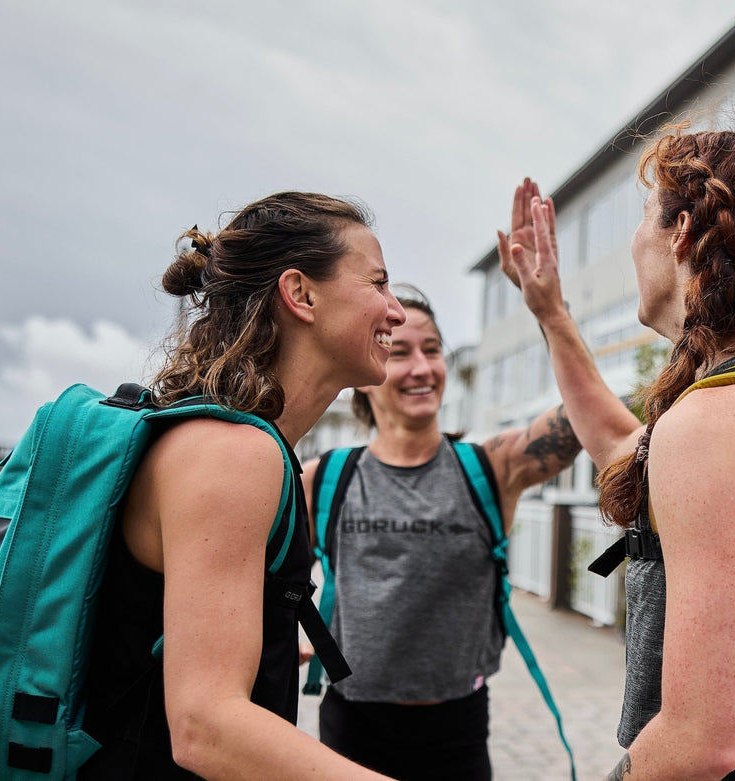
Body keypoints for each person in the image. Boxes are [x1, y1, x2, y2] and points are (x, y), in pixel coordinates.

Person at [502, 128, 735, 779]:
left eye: (643, 218)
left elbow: (701, 739)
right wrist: (551, 313)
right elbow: (623, 446)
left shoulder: (714, 425)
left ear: (681, 231)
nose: (634, 243)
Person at [79, 192, 406, 780]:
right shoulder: (234, 453)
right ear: (301, 294)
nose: (397, 311)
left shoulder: (222, 436)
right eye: (379, 283)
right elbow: (206, 725)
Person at [303, 277, 636, 779]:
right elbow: (256, 582)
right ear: (367, 368)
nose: (421, 368)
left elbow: (592, 417)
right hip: (349, 728)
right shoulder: (324, 479)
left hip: (457, 733)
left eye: (433, 350)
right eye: (399, 352)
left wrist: (550, 312)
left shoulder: (491, 468)